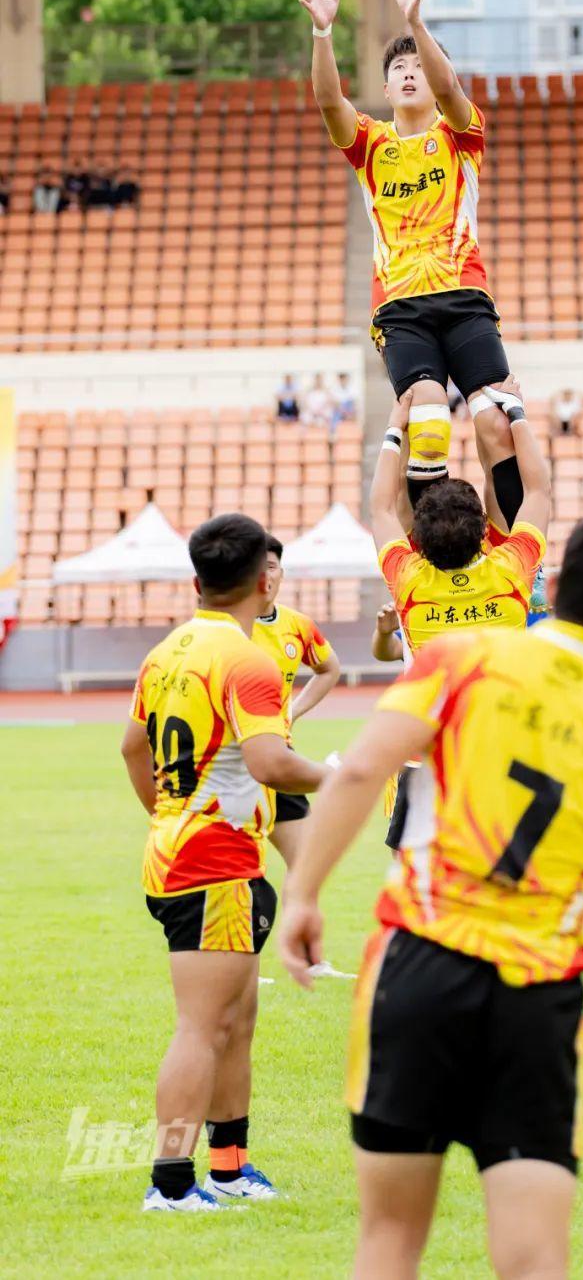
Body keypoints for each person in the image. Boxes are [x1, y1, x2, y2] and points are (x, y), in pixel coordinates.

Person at [277, 511, 583, 1280]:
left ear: (554, 587)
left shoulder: (459, 658)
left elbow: (363, 769)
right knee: (534, 1258)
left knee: (388, 1240)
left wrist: (303, 893)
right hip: (538, 994)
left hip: (419, 963)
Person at [119, 514, 328, 1212]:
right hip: (211, 865)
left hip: (188, 855)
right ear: (266, 581)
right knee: (204, 1026)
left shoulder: (165, 652)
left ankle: (231, 1170)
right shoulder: (249, 661)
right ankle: (171, 1184)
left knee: (236, 1020)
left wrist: (166, 815)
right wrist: (343, 774)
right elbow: (272, 762)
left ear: (196, 582)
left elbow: (132, 748)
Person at [298, 0, 521, 520]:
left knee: (496, 422)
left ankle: (518, 554)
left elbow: (450, 88)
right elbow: (329, 101)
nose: (409, 72)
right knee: (427, 416)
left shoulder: (461, 133)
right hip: (401, 308)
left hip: (464, 296)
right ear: (385, 86)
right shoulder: (370, 145)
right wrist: (323, 32)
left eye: (419, 63)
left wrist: (416, 24)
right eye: (399, 66)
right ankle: (434, 550)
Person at [370, 380, 549, 658]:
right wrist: (516, 413)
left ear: (419, 540)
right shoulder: (511, 571)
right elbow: (538, 490)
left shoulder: (410, 582)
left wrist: (395, 428)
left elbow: (383, 509)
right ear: (484, 531)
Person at [254, 536, 342, 887]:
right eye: (257, 568)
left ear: (282, 573)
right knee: (239, 869)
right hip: (232, 757)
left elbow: (328, 668)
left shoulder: (297, 625)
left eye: (271, 566)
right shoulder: (229, 629)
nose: (265, 575)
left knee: (306, 868)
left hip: (278, 752)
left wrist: (293, 711)